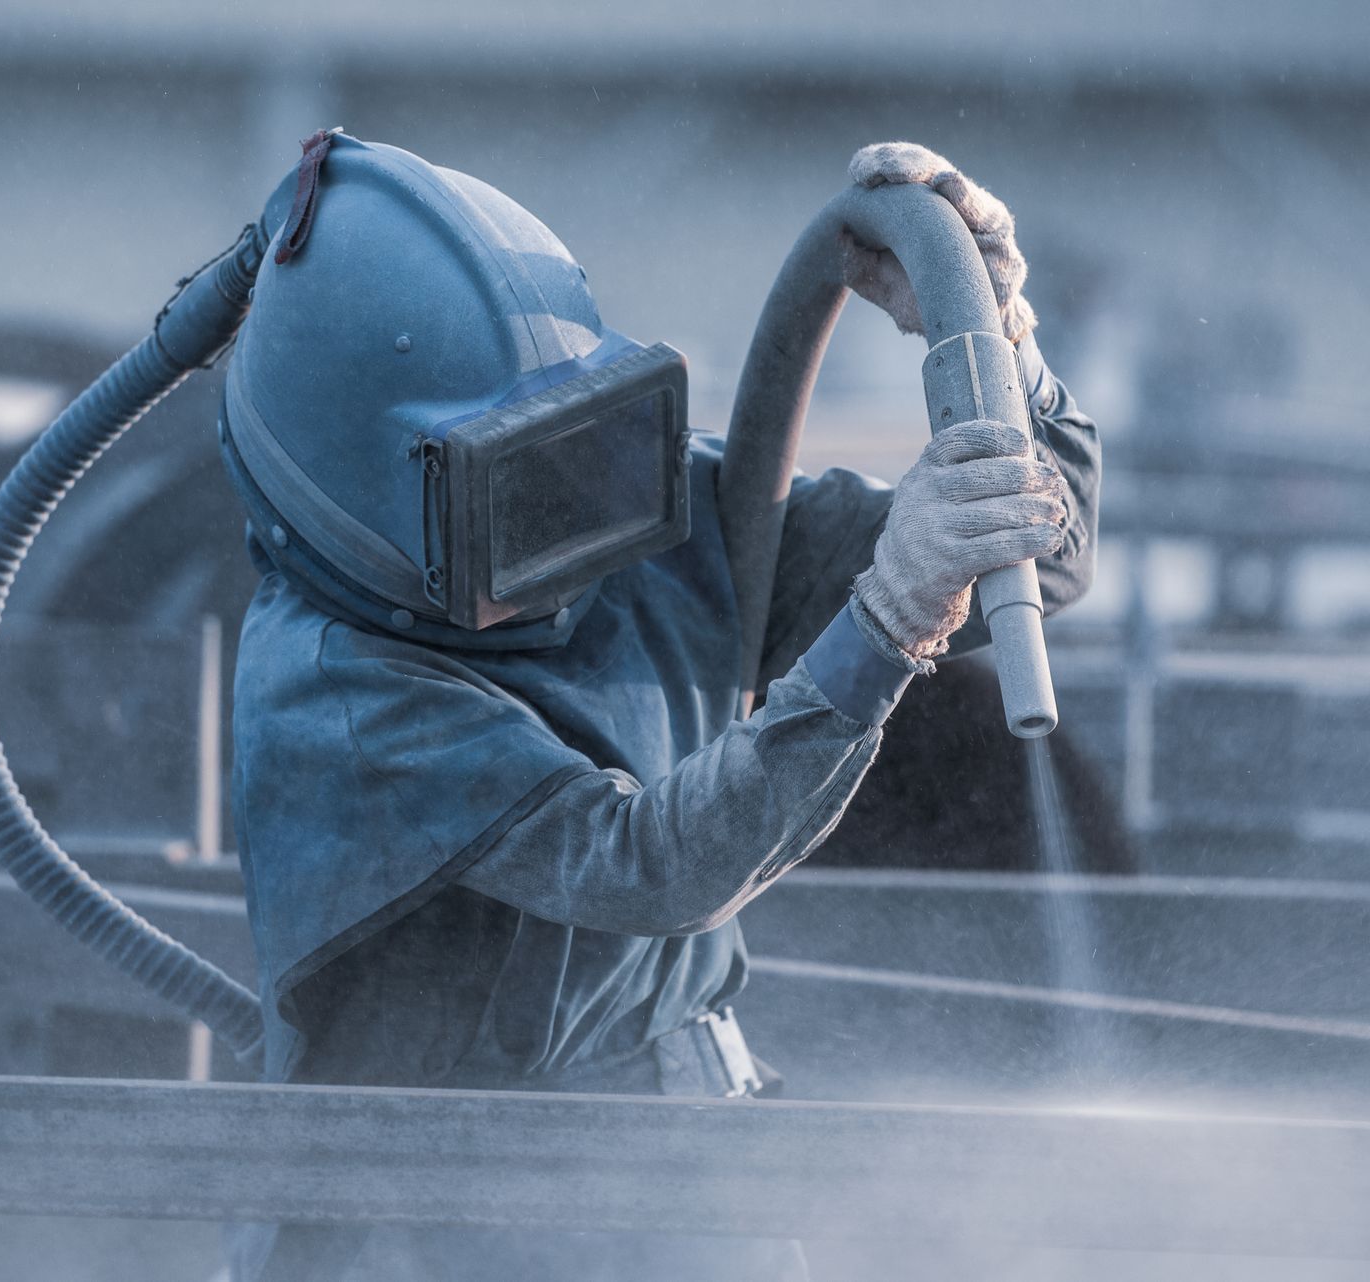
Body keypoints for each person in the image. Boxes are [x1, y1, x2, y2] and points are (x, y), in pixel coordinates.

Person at [218, 132, 1100, 1281]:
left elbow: (1043, 557)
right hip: (431, 1206)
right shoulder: (336, 685)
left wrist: (997, 345)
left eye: (583, 443)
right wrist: (886, 618)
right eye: (512, 492)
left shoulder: (628, 499)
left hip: (677, 1166)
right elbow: (648, 869)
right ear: (381, 520)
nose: (574, 532)